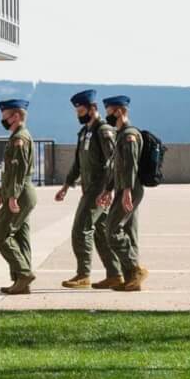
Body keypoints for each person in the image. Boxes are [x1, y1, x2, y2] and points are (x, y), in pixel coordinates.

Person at [55, 88, 118, 289]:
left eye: (81, 111)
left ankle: (83, 274)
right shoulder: (85, 132)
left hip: (99, 189)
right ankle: (115, 274)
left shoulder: (103, 130)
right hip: (88, 187)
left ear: (93, 109)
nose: (78, 115)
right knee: (100, 232)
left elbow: (113, 162)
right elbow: (78, 163)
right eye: (76, 111)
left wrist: (109, 189)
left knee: (81, 229)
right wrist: (66, 185)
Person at [96, 95, 147, 291]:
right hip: (124, 188)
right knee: (128, 233)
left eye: (109, 112)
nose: (107, 116)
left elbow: (130, 166)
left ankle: (134, 268)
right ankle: (131, 280)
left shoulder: (128, 135)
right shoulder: (121, 134)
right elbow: (116, 167)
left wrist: (126, 191)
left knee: (112, 230)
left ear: (119, 111)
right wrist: (108, 189)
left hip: (130, 188)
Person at [0, 97, 38, 295]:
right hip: (19, 192)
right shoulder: (17, 136)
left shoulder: (20, 138)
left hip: (20, 193)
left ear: (17, 116)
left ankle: (24, 273)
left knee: (2, 236)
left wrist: (12, 196)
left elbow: (18, 172)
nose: (3, 120)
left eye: (6, 117)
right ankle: (21, 282)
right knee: (20, 237)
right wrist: (0, 193)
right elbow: (9, 172)